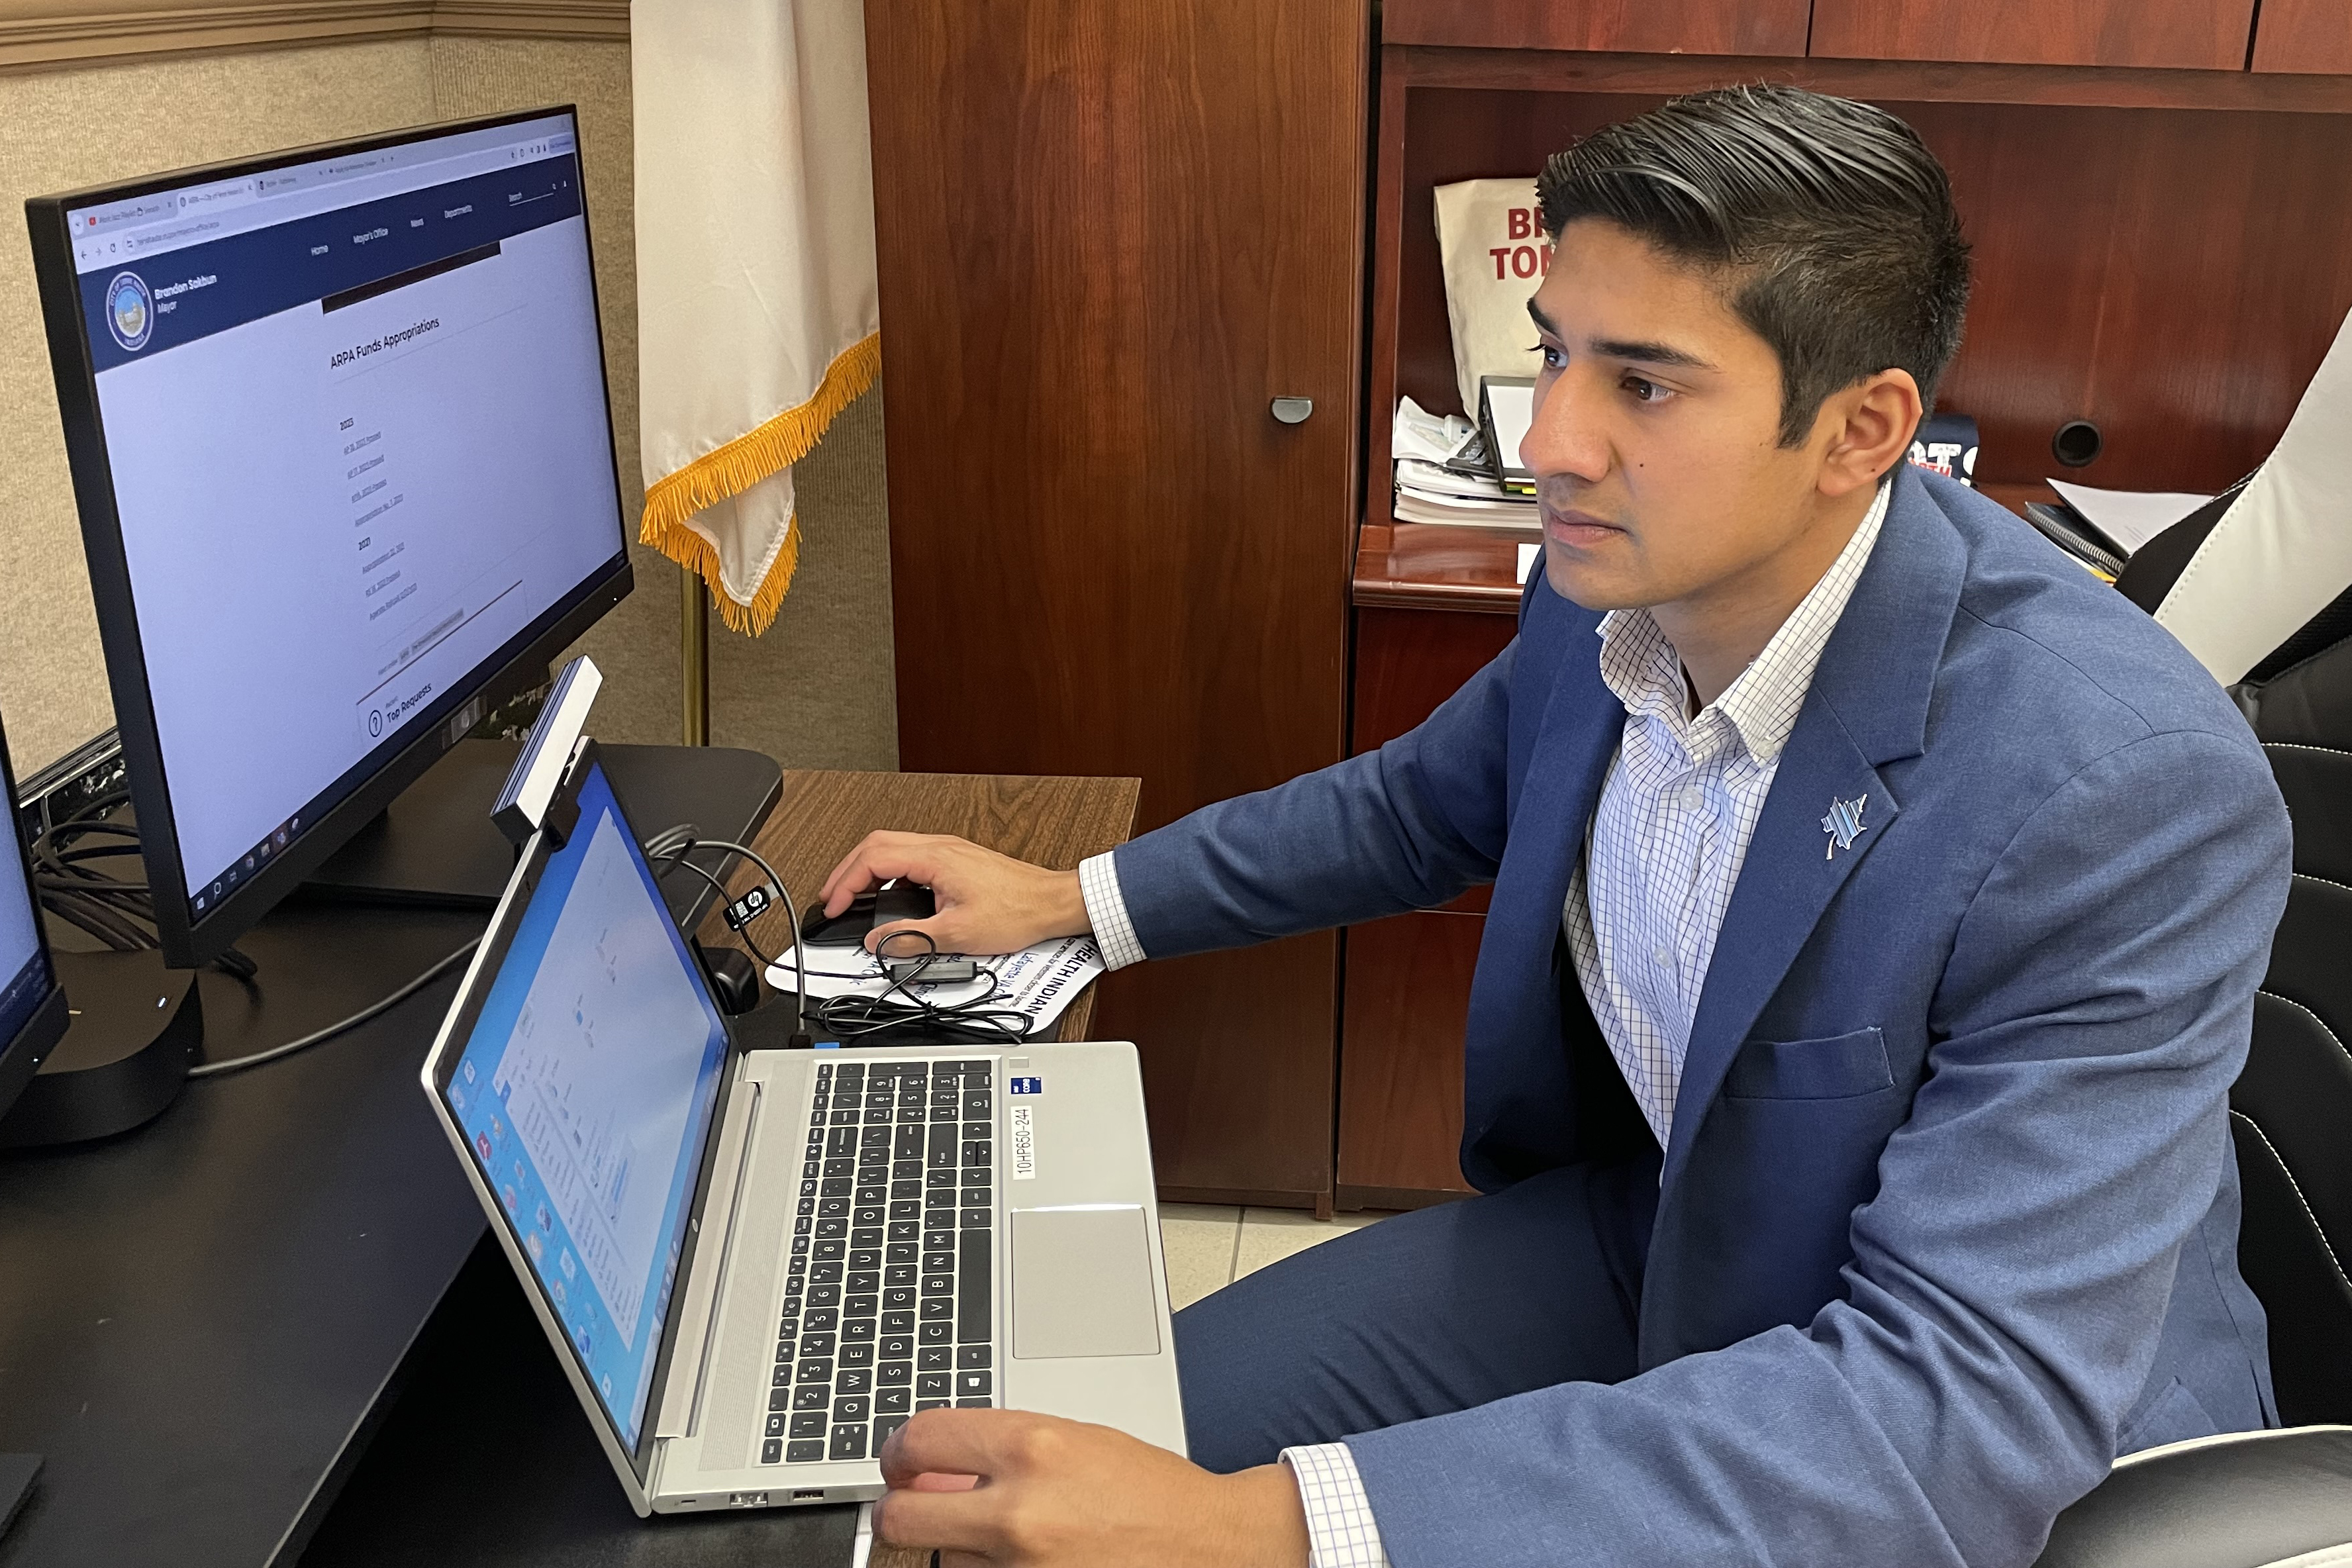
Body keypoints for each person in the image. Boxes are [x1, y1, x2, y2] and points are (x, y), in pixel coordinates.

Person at [818, 84, 2291, 1567]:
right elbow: (1416, 803)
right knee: (1071, 1453)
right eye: (1553, 354)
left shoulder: (2125, 791)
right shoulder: (1613, 586)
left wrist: (1256, 1530)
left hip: (1980, 1431)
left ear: (1862, 430)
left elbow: (1955, 1403)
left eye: (1642, 382)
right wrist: (1072, 899)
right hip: (1664, 1231)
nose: (1554, 440)